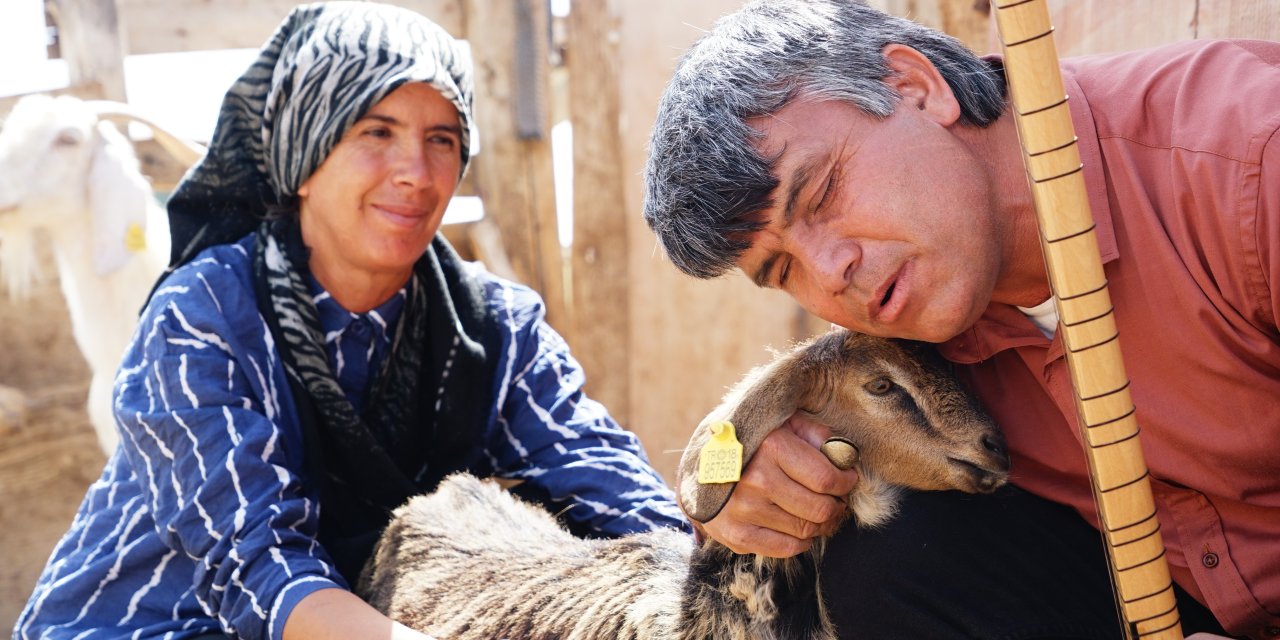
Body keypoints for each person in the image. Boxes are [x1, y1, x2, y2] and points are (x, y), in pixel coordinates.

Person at [15, 3, 688, 639]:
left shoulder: (491, 333)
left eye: (442, 139)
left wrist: (713, 589)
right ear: (304, 157)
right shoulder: (204, 319)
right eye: (376, 133)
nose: (415, 173)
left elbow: (607, 481)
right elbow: (261, 571)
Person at [643, 1, 1278, 638]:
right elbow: (742, 462)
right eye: (782, 272)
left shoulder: (1250, 166)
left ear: (918, 88)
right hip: (1166, 599)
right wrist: (745, 485)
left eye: (822, 193)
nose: (829, 272)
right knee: (881, 538)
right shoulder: (910, 333)